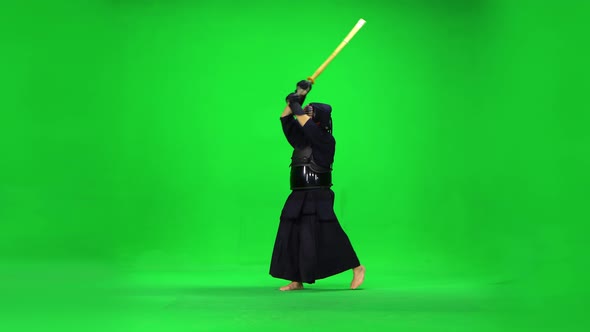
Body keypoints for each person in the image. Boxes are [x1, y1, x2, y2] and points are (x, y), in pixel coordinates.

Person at [269, 80, 366, 291]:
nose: (306, 115)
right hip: (298, 194)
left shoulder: (325, 140)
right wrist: (298, 95)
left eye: (310, 113)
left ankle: (357, 267)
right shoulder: (301, 140)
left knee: (329, 233)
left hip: (318, 195)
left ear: (319, 120)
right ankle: (297, 279)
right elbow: (286, 118)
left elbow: (305, 123)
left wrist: (296, 102)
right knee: (293, 233)